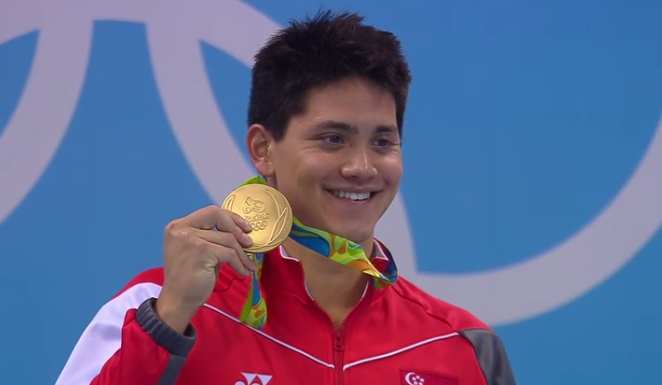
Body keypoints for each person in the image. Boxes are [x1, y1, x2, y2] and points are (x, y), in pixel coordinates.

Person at [55, 9, 516, 385]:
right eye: (333, 139)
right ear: (263, 148)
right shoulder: (157, 304)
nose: (362, 167)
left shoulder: (462, 345)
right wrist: (171, 317)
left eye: (382, 141)